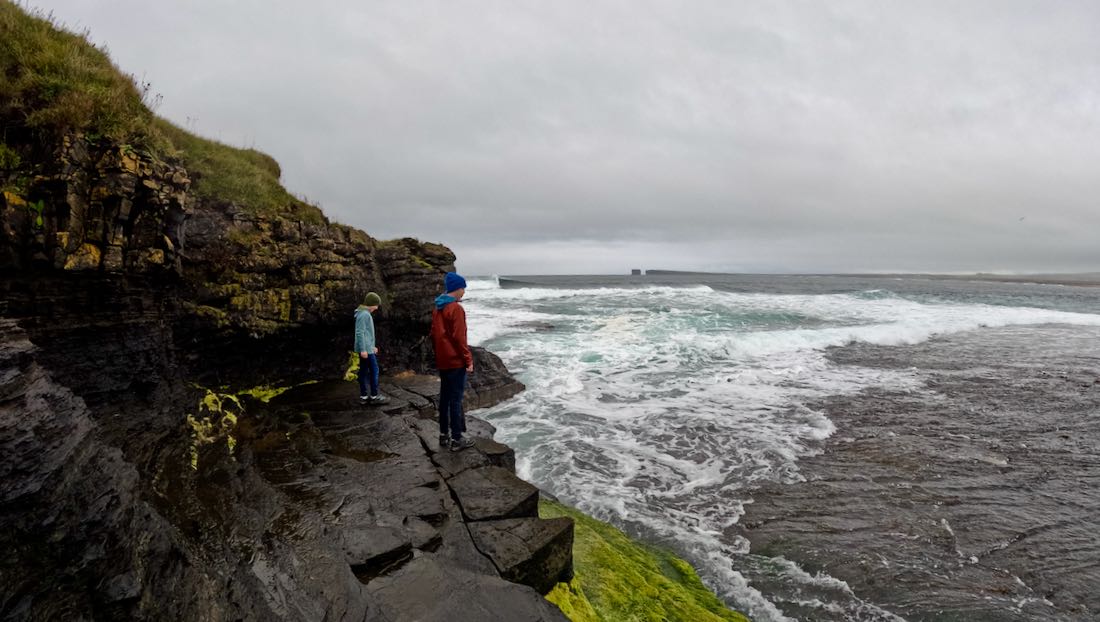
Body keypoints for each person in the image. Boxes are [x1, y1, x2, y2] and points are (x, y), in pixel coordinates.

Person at [431, 272, 475, 451]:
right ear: (457, 288)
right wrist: (468, 359)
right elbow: (459, 338)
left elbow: (434, 334)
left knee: (445, 399)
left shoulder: (438, 307)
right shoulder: (456, 309)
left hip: (443, 360)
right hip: (456, 361)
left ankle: (444, 435)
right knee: (455, 400)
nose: (464, 292)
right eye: (463, 288)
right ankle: (457, 439)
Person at [355, 292, 388, 404]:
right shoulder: (364, 315)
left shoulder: (363, 313)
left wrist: (372, 346)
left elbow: (367, 334)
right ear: (370, 304)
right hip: (366, 350)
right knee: (374, 370)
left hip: (368, 348)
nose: (377, 308)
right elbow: (360, 333)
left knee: (364, 371)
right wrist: (364, 349)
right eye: (376, 305)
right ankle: (374, 395)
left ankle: (364, 396)